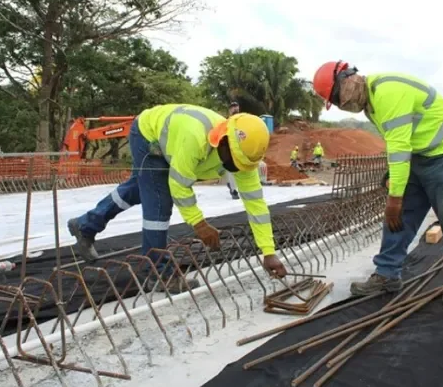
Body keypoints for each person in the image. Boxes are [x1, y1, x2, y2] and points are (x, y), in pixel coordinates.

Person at [311, 61, 443, 307]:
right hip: (421, 153)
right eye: (336, 102)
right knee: (399, 217)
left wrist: (394, 198)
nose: (342, 105)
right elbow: (400, 140)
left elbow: (399, 147)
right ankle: (387, 275)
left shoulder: (387, 92)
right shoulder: (371, 103)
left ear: (348, 79)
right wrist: (392, 178)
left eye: (337, 97)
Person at [67, 104, 287, 293]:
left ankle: (86, 224)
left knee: (138, 189)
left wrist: (268, 252)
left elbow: (256, 206)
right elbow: (179, 185)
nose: (236, 168)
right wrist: (199, 224)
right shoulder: (195, 138)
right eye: (234, 161)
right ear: (222, 140)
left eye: (241, 164)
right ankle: (156, 272)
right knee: (160, 203)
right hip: (148, 134)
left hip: (171, 141)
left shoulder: (242, 156)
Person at [224, 101, 241, 200]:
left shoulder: (243, 119)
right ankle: (234, 190)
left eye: (236, 106)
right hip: (229, 148)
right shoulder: (226, 121)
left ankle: (231, 184)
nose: (234, 108)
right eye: (232, 107)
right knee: (231, 169)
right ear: (229, 110)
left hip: (241, 148)